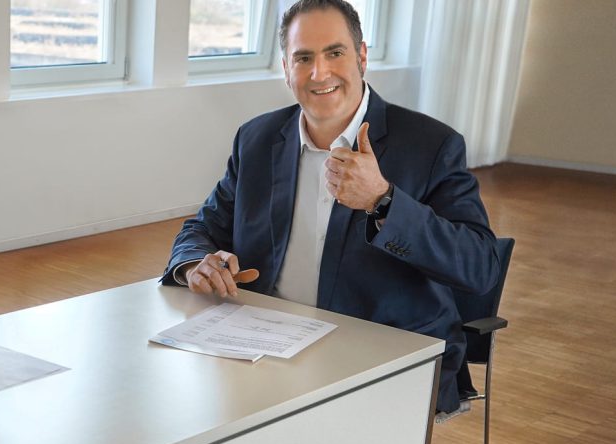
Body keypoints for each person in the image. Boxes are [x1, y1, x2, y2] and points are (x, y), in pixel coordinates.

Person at [162, 0, 500, 414]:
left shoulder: (431, 145)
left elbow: (480, 267)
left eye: (334, 53)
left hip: (380, 358)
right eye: (303, 58)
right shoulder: (257, 138)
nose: (319, 73)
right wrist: (195, 263)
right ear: (286, 68)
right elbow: (202, 228)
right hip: (267, 347)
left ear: (361, 57)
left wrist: (383, 200)